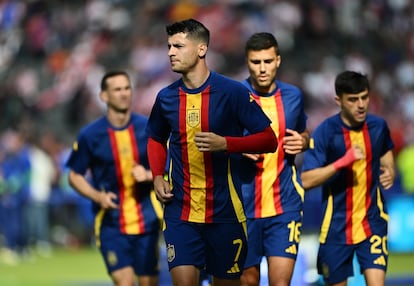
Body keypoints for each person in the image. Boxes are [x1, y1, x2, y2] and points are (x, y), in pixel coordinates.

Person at [146, 19, 278, 286]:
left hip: (225, 212)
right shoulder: (166, 98)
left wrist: (227, 144)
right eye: (169, 46)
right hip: (180, 211)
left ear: (201, 49)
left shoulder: (233, 93)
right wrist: (158, 176)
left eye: (179, 46)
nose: (171, 52)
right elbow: (155, 138)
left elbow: (269, 139)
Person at [66, 70, 162, 286]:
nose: (123, 94)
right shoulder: (90, 135)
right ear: (104, 96)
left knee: (149, 283)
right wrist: (96, 196)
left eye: (127, 88)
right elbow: (74, 175)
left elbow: (170, 165)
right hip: (111, 223)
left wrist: (148, 174)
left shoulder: (148, 127)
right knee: (125, 282)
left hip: (146, 220)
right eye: (117, 89)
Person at [301, 71, 395, 286]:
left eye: (364, 97)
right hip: (336, 228)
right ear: (338, 101)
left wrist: (389, 169)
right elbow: (305, 180)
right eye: (353, 100)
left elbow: (386, 150)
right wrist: (342, 162)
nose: (361, 105)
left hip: (373, 222)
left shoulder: (378, 126)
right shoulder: (325, 132)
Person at [239, 32, 309, 286]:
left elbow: (303, 131)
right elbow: (213, 142)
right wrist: (236, 148)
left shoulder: (293, 97)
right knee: (249, 280)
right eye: (256, 62)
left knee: (281, 283)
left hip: (285, 204)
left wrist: (304, 141)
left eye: (267, 61)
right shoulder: (233, 97)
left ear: (278, 60)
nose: (262, 68)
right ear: (247, 62)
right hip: (244, 208)